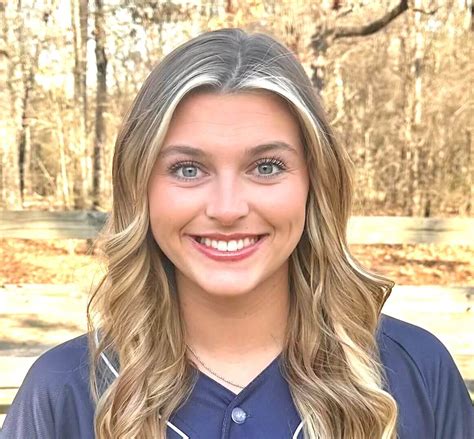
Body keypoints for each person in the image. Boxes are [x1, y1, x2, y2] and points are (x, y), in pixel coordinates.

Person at [1, 28, 472, 439]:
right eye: (188, 169)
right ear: (139, 186)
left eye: (266, 167)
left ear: (315, 183)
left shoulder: (415, 372)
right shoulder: (63, 392)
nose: (227, 209)